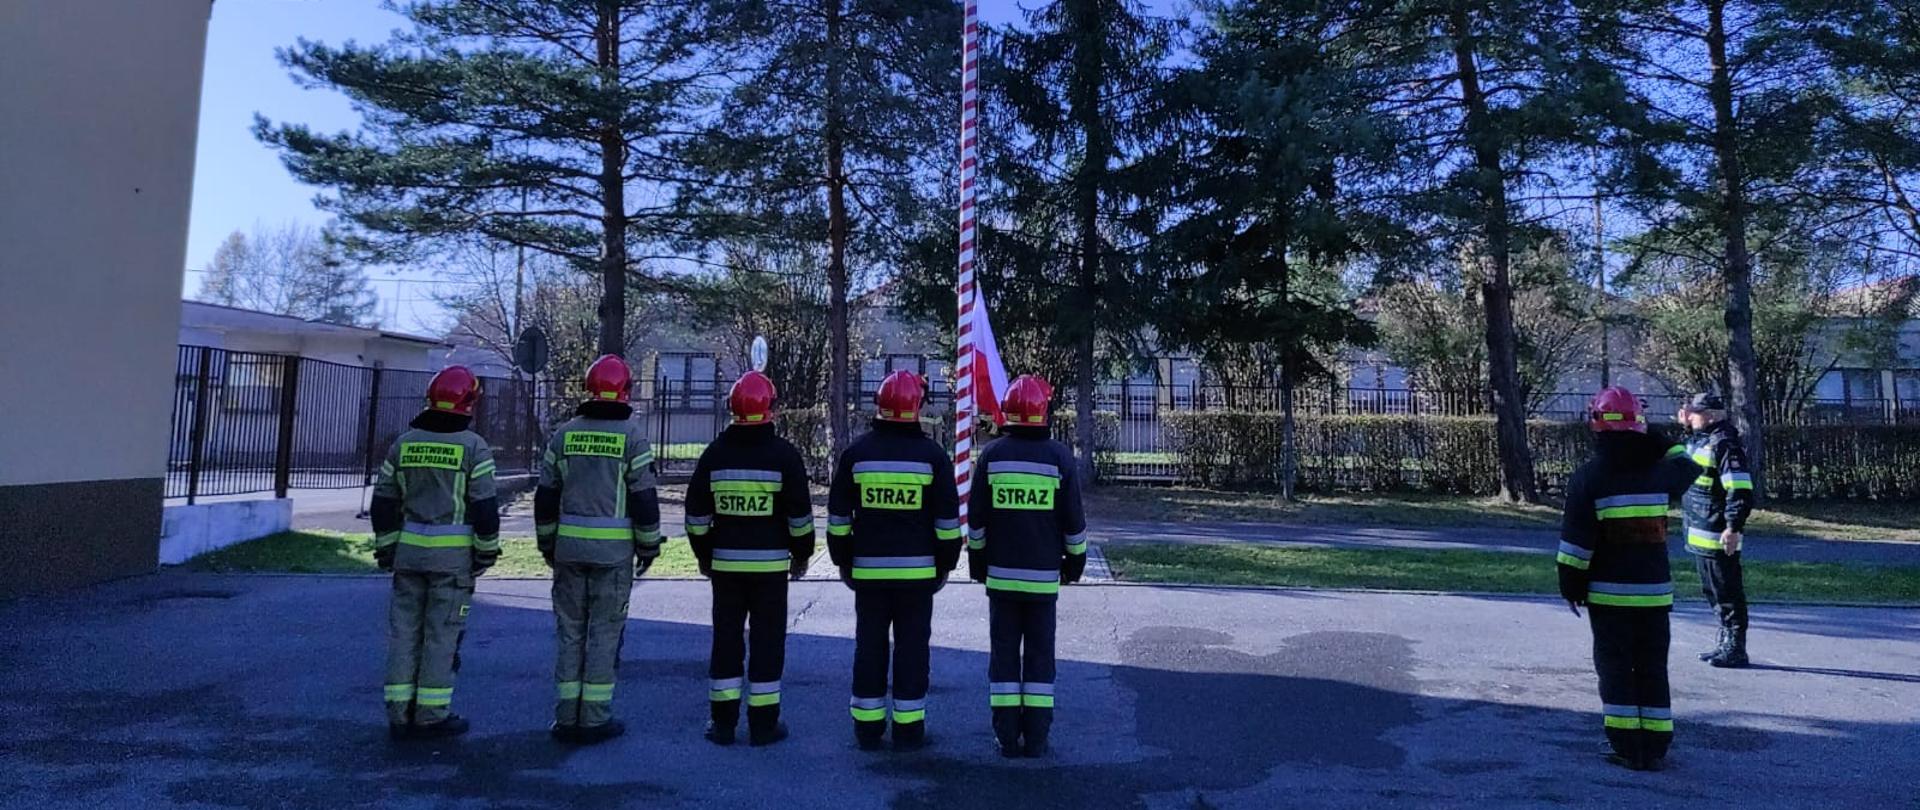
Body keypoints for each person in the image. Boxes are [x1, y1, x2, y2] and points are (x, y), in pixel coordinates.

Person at [1557, 386, 1702, 772]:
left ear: (1596, 427)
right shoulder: (1659, 472)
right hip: (1654, 595)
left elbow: (1575, 545)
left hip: (1608, 597)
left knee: (1616, 669)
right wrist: (1655, 436)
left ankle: (1624, 745)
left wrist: (1570, 587)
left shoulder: (1589, 477)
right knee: (1653, 668)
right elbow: (1688, 466)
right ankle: (1655, 746)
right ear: (1638, 425)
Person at [827, 371, 963, 752]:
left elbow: (838, 521)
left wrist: (843, 562)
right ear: (916, 407)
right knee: (913, 649)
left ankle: (867, 729)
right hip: (918, 576)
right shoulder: (933, 457)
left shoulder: (857, 454)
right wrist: (945, 566)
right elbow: (948, 527)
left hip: (868, 573)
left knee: (869, 646)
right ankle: (908, 729)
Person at [533, 354, 661, 744]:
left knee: (570, 632)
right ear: (624, 390)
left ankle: (565, 715)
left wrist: (547, 543)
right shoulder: (631, 436)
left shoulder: (563, 435)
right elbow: (643, 500)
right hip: (613, 556)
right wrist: (649, 546)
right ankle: (594, 718)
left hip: (568, 552)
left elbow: (546, 496)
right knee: (604, 634)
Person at [684, 370, 815, 747]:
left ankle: (722, 723)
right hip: (771, 570)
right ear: (769, 409)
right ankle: (763, 725)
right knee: (767, 645)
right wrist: (802, 558)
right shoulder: (784, 456)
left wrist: (706, 555)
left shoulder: (715, 455)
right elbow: (800, 520)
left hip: (725, 568)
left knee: (725, 643)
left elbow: (695, 517)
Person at [370, 365, 500, 740]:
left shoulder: (404, 443)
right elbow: (484, 508)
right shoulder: (473, 448)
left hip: (408, 556)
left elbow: (383, 504)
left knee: (404, 635)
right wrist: (486, 553)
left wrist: (386, 548)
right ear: (468, 402)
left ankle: (398, 712)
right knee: (442, 636)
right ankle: (431, 714)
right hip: (452, 560)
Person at [966, 374, 1087, 758]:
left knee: (1003, 657)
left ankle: (1005, 736)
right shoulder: (1059, 458)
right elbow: (1074, 523)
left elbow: (977, 522)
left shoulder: (992, 456)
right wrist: (1075, 565)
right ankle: (1036, 738)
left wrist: (978, 564)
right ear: (1042, 412)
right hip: (1042, 582)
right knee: (1039, 657)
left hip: (1001, 579)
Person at [1677, 393, 1755, 668]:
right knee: (1714, 592)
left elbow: (1740, 489)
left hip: (1718, 533)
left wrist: (1733, 527)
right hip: (1701, 531)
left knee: (1727, 592)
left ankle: (1735, 648)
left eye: (1693, 412)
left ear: (1710, 414)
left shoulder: (1724, 444)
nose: (1688, 416)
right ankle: (1724, 642)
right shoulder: (1702, 440)